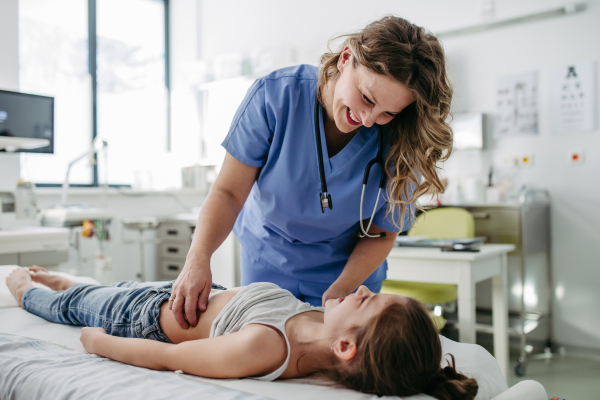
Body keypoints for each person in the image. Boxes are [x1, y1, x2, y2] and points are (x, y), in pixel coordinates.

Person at [170, 15, 453, 329]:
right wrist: (198, 259)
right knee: (260, 358)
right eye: (367, 98)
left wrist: (341, 292)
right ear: (347, 58)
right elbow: (229, 192)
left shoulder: (405, 139)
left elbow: (382, 232)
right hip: (268, 262)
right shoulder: (275, 98)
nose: (369, 119)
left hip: (350, 277)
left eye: (387, 112)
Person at [7, 266, 477, 399]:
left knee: (75, 306)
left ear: (345, 346)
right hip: (182, 293)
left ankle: (28, 289)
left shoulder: (264, 348)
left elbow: (171, 359)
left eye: (367, 300)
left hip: (144, 317)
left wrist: (99, 342)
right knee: (101, 287)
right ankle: (71, 282)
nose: (360, 292)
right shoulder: (320, 328)